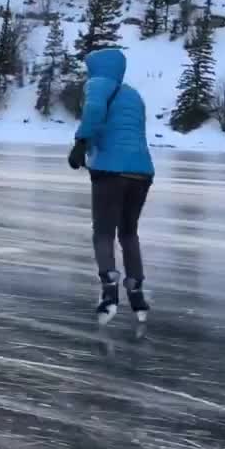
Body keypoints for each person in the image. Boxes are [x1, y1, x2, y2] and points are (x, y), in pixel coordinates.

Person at [67, 48, 155, 324]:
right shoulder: (133, 94)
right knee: (129, 233)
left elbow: (94, 110)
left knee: (103, 232)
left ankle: (109, 294)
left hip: (110, 171)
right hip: (142, 171)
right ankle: (137, 293)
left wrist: (81, 142)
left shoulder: (98, 84)